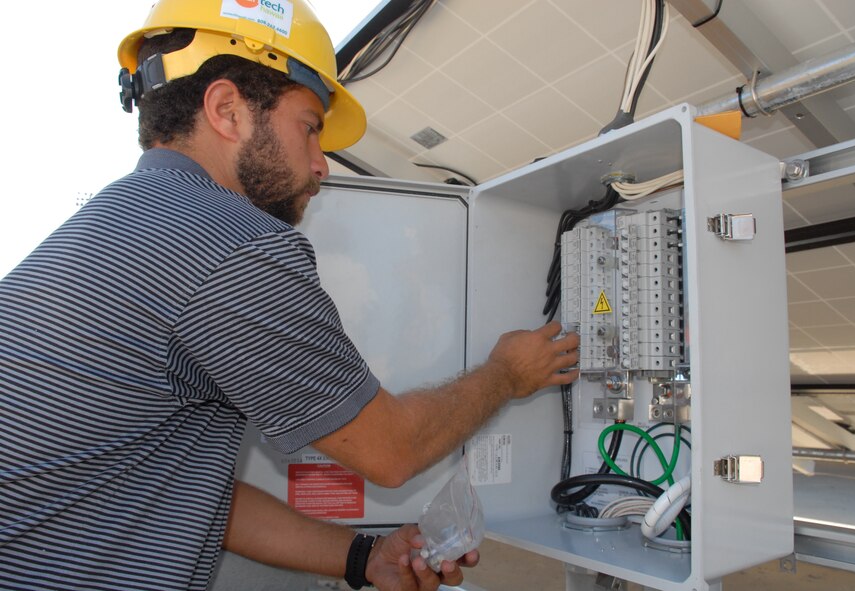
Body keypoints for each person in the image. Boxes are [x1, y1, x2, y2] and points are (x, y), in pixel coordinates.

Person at [0, 1, 580, 590]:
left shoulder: (125, 217)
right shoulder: (229, 241)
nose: (321, 164)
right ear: (227, 110)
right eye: (309, 127)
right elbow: (393, 449)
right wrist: (508, 373)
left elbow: (183, 497)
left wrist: (363, 557)